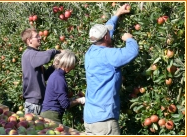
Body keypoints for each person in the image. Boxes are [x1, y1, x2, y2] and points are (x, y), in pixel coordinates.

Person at [83, 4, 139, 135]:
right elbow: (132, 52)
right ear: (106, 37)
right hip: (104, 121)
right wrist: (129, 39)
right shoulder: (109, 55)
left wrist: (117, 15)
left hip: (90, 119)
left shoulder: (90, 52)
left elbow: (106, 33)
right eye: (108, 33)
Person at [21, 28, 61, 115]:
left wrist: (54, 66)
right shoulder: (30, 54)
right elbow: (46, 55)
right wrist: (57, 52)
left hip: (37, 102)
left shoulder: (33, 56)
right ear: (29, 40)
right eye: (37, 36)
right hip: (33, 104)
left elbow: (44, 76)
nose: (40, 38)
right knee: (32, 128)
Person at [40, 50, 85, 124]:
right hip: (52, 116)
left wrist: (73, 98)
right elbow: (65, 105)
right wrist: (80, 100)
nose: (73, 68)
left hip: (48, 113)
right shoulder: (59, 79)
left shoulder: (56, 75)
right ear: (68, 64)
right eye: (73, 65)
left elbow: (59, 98)